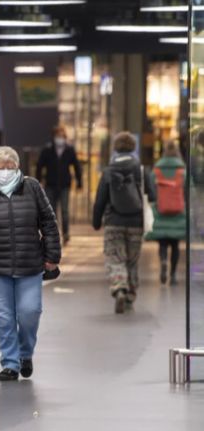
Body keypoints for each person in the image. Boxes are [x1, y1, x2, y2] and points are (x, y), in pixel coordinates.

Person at [0, 146, 61, 382]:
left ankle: (25, 354)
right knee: (3, 316)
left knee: (30, 312)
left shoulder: (32, 188)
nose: (5, 171)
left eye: (11, 167)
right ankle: (10, 362)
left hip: (30, 264)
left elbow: (48, 222)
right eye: (1, 167)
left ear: (18, 168)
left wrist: (52, 257)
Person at [93, 132, 157, 313]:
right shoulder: (142, 170)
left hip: (114, 221)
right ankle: (130, 295)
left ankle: (119, 287)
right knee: (132, 260)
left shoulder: (108, 170)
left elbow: (100, 200)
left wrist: (96, 222)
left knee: (115, 258)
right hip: (136, 222)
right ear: (133, 148)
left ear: (115, 148)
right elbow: (152, 195)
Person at [145, 141, 186, 286]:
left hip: (161, 210)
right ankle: (173, 275)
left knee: (162, 242)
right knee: (175, 245)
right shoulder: (182, 171)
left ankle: (163, 260)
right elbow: (188, 190)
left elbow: (150, 189)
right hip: (178, 211)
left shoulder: (156, 171)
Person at [36, 125, 83, 245]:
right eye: (58, 136)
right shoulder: (47, 150)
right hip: (50, 184)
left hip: (64, 185)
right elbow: (40, 166)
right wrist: (38, 180)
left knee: (65, 211)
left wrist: (79, 182)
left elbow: (76, 166)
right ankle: (53, 234)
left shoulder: (69, 149)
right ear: (54, 137)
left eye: (62, 136)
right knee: (51, 211)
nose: (60, 138)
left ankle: (66, 234)